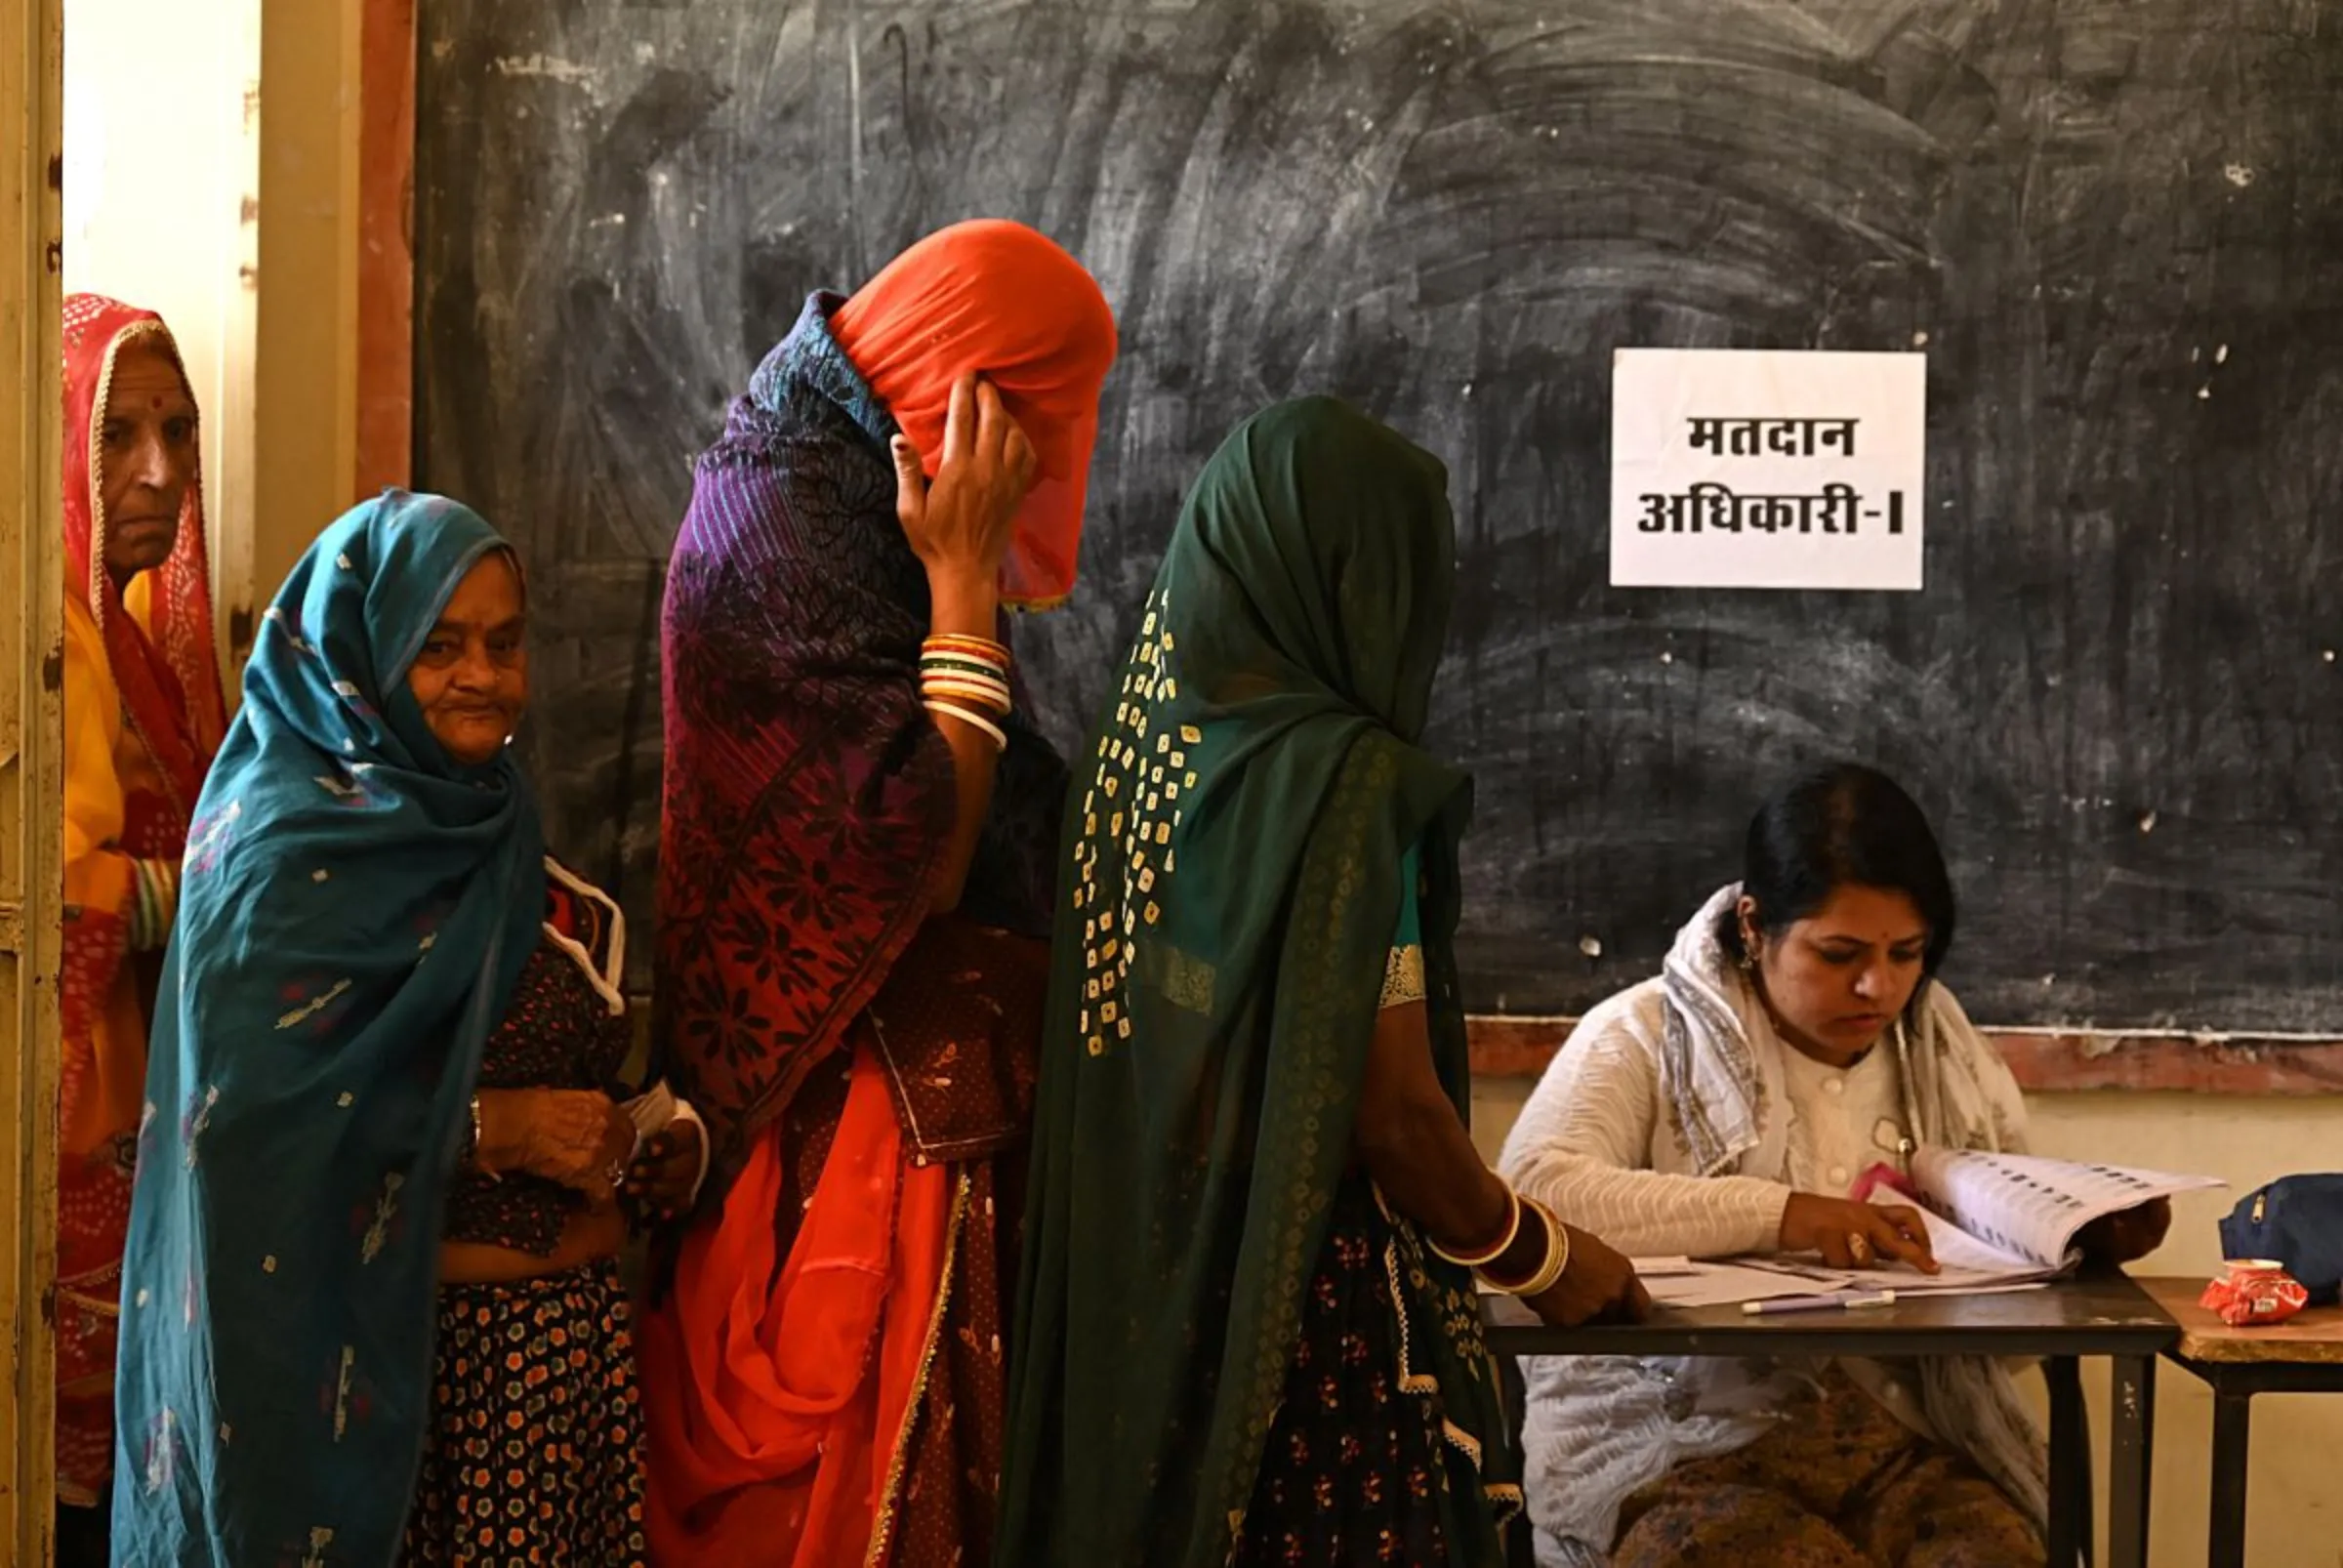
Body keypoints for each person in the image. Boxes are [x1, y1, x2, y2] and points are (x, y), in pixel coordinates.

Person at [997, 397, 1649, 1568]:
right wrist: (1543, 1258)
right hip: (1317, 1334)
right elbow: (1392, 1115)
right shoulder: (1346, 793)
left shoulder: (1132, 770)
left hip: (1152, 1313)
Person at [109, 491, 709, 1568]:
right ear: (363, 648)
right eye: (439, 645)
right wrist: (491, 1130)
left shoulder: (490, 819)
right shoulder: (272, 859)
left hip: (543, 1402)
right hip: (370, 1398)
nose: (481, 674)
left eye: (504, 642)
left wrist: (642, 1133)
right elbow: (245, 1138)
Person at [640, 219, 1118, 1567]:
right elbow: (922, 843)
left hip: (908, 1093)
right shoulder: (787, 534)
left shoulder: (838, 479)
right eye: (1036, 418)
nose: (1045, 462)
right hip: (843, 1143)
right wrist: (964, 584)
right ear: (965, 396)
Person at [1499, 763, 2171, 1568]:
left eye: (1907, 953)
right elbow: (1535, 1192)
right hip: (1682, 1454)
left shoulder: (1939, 1052)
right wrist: (1786, 1214)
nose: (1876, 986)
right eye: (1838, 952)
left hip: (1905, 1448)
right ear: (1753, 927)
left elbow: (2007, 1323)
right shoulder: (1642, 1036)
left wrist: (2076, 1246)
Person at [57, 295, 228, 1561]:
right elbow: (49, 888)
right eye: (119, 432)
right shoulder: (43, 642)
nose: (160, 470)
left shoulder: (133, 649)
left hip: (145, 1143)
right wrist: (208, 892)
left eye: (179, 430)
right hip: (61, 1161)